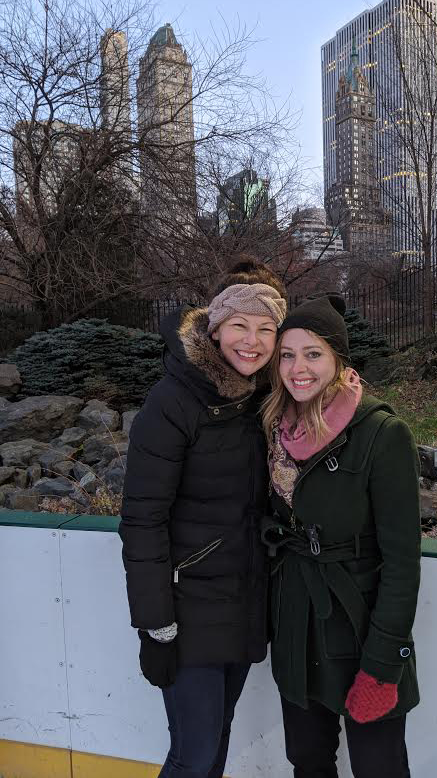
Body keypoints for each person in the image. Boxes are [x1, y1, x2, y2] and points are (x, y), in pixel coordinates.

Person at [119, 258, 287, 778]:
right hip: (187, 610)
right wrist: (156, 625)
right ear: (215, 329)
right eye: (240, 325)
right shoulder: (173, 401)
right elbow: (142, 518)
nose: (252, 341)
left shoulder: (269, 397)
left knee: (216, 743)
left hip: (242, 599)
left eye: (266, 328)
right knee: (192, 754)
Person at [261, 294, 421, 778]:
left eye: (313, 354)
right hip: (296, 626)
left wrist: (382, 665)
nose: (298, 368)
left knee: (379, 768)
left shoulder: (382, 433)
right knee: (308, 762)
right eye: (287, 354)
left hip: (357, 629)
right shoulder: (273, 427)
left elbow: (402, 563)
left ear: (337, 361)